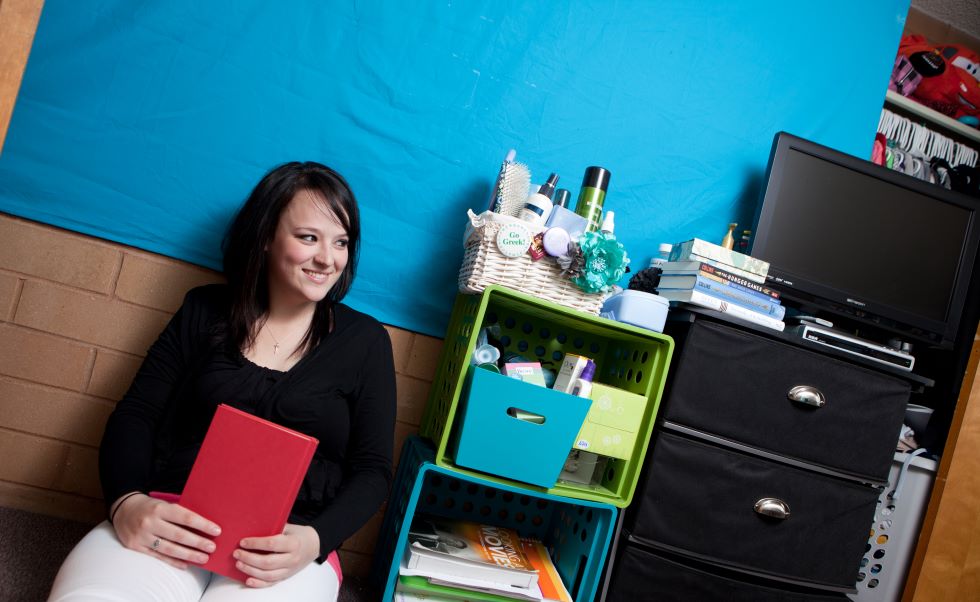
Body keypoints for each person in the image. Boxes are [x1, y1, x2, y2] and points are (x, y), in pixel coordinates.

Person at [48, 162, 396, 601]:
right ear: (267, 236)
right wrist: (127, 504)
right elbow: (137, 414)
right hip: (173, 518)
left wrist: (314, 541)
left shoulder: (366, 342)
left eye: (341, 242)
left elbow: (373, 470)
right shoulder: (203, 309)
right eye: (309, 237)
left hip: (288, 546)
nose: (328, 259)